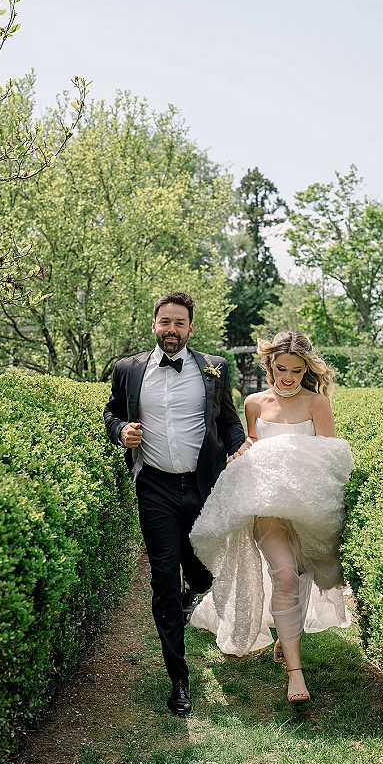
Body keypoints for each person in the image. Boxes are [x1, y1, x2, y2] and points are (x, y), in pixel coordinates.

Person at [189, 331, 354, 704]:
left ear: (306, 370)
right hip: (265, 502)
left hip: (307, 502)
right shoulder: (254, 403)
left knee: (302, 573)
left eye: (297, 370)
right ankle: (296, 675)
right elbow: (253, 444)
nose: (288, 377)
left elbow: (329, 458)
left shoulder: (318, 403)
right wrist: (244, 451)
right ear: (269, 365)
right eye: (282, 369)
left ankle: (287, 633)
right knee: (283, 573)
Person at [103, 291, 245, 716]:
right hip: (155, 487)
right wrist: (120, 431)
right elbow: (111, 412)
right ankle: (179, 678)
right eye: (165, 321)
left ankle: (194, 588)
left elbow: (228, 420)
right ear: (154, 325)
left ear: (190, 329)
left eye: (179, 323)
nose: (171, 329)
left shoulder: (214, 367)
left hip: (203, 485)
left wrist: (240, 448)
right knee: (163, 574)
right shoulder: (127, 370)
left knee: (201, 571)